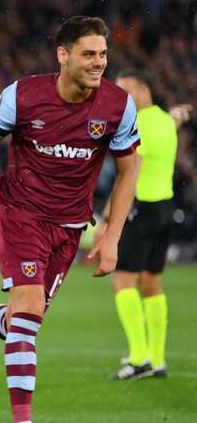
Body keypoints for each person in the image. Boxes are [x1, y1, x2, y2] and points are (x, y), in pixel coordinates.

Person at [0, 16, 140, 423]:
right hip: (22, 215)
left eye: (103, 54)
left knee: (23, 321)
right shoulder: (24, 96)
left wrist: (112, 233)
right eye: (88, 54)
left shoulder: (118, 106)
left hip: (69, 227)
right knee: (28, 317)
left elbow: (129, 169)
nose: (98, 62)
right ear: (63, 56)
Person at [103, 69, 180, 380]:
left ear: (143, 89)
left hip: (142, 212)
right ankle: (157, 359)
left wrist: (110, 213)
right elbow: (176, 119)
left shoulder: (138, 125)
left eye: (127, 91)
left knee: (122, 283)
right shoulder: (164, 119)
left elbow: (132, 171)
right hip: (165, 209)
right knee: (152, 286)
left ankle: (138, 359)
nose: (124, 98)